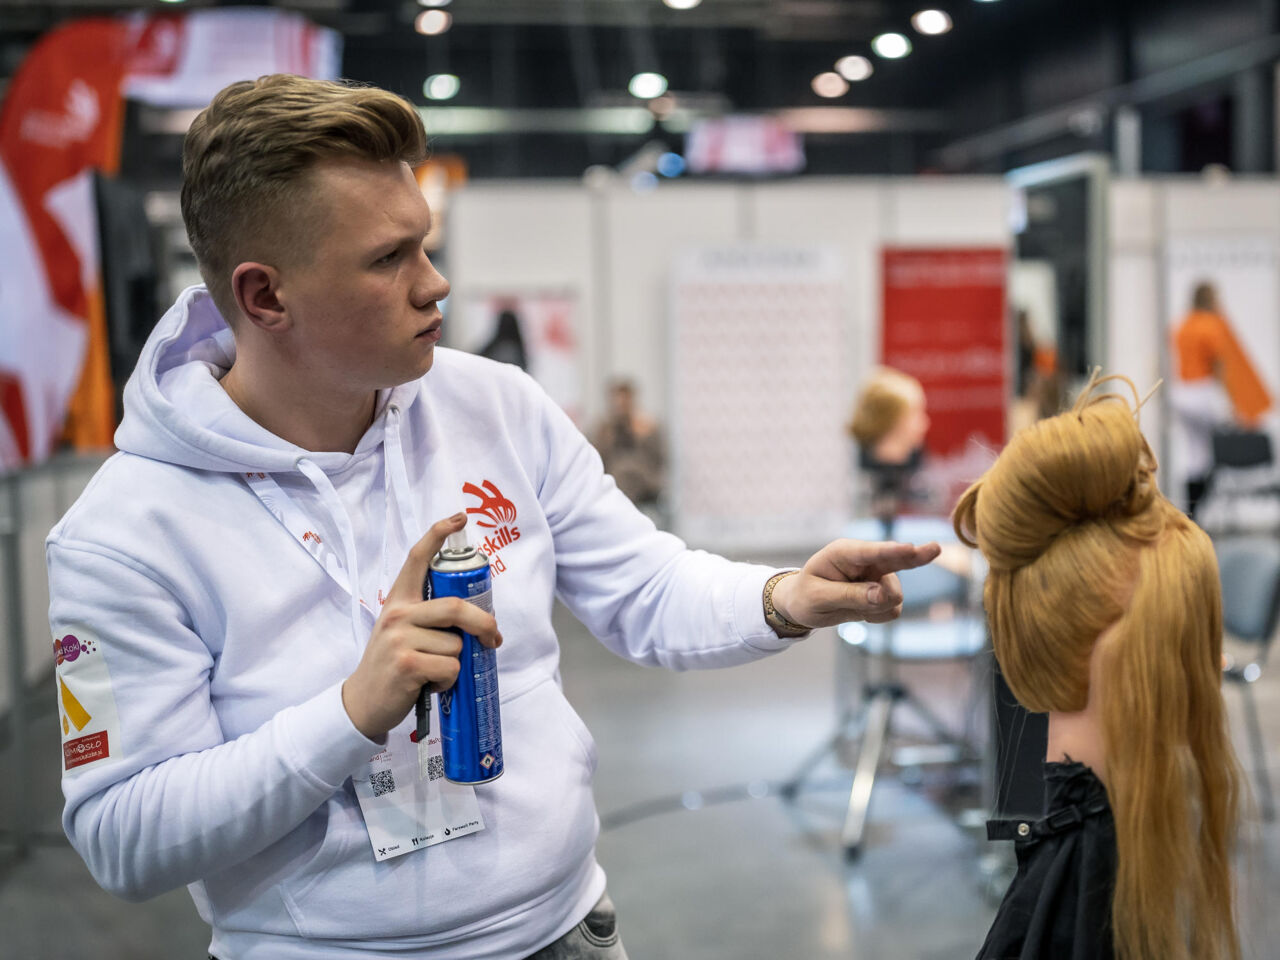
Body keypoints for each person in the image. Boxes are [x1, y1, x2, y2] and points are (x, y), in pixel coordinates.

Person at [45, 74, 940, 960]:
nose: (434, 284)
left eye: (424, 246)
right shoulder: (123, 536)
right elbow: (124, 833)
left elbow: (645, 586)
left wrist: (785, 595)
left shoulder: (496, 407)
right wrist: (351, 713)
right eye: (388, 259)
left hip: (568, 935)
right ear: (266, 296)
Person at [953, 372, 1243, 960]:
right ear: (1122, 656)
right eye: (1187, 637)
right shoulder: (1086, 907)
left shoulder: (1071, 865)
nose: (1216, 664)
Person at [1170, 280, 1272, 517]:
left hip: (1182, 392)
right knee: (1215, 452)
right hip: (1202, 392)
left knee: (1196, 455)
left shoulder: (1182, 325)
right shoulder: (1212, 324)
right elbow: (1218, 366)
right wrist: (1235, 405)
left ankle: (1191, 511)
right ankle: (1198, 511)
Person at [591, 378, 664, 509]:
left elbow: (658, 460)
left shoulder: (646, 427)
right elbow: (596, 459)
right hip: (613, 486)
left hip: (644, 487)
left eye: (625, 401)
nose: (621, 406)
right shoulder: (604, 429)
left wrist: (643, 436)